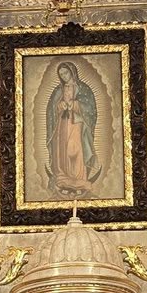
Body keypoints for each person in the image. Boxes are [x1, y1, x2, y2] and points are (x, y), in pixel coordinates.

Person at [46, 61, 100, 196]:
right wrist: (60, 106)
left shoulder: (83, 89)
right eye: (61, 74)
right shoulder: (58, 90)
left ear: (72, 72)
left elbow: (90, 109)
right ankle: (63, 177)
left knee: (74, 149)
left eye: (66, 73)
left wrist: (75, 105)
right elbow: (51, 109)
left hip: (77, 122)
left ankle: (79, 178)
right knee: (62, 149)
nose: (64, 76)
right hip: (62, 124)